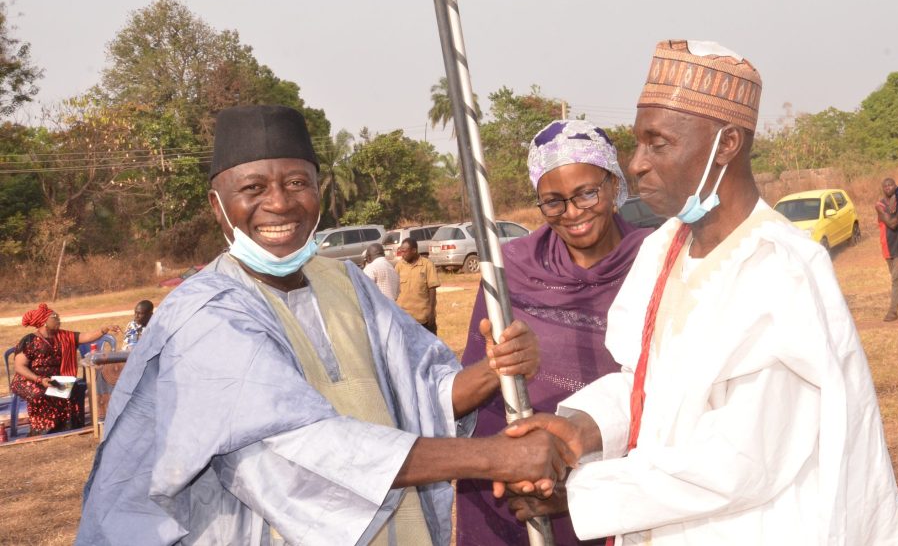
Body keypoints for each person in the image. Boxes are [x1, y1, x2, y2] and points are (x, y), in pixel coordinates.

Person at [78, 105, 573, 546]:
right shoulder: (203, 315)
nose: (280, 203)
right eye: (253, 188)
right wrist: (492, 458)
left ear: (318, 191)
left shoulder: (344, 282)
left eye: (297, 183)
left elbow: (423, 391)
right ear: (217, 206)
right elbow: (301, 449)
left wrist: (494, 369)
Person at [503, 40, 898, 544]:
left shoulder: (780, 269)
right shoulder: (664, 248)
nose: (636, 164)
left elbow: (746, 458)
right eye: (638, 143)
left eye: (658, 143)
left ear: (728, 144)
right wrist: (584, 429)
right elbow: (649, 383)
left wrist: (583, 491)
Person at [456, 120, 652, 546]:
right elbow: (477, 391)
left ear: (613, 184)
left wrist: (582, 487)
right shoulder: (510, 270)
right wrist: (509, 467)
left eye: (587, 192)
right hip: (514, 491)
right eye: (553, 201)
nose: (574, 212)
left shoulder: (656, 264)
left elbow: (663, 398)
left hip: (615, 492)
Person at [10, 303, 119, 434]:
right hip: (27, 379)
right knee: (40, 393)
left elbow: (86, 337)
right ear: (44, 322)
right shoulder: (29, 340)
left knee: (70, 390)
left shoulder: (64, 336)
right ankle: (42, 430)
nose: (58, 319)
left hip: (53, 378)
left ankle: (64, 428)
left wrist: (104, 329)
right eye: (54, 317)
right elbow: (19, 367)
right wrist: (39, 379)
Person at [876, 177, 898, 322]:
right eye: (886, 186)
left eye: (891, 185)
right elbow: (892, 223)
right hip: (887, 246)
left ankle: (892, 311)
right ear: (883, 189)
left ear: (896, 186)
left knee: (896, 278)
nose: (889, 187)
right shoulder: (879, 205)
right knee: (897, 279)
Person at [396, 238, 441, 334]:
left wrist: (431, 311)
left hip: (423, 317)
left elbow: (432, 289)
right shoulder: (399, 266)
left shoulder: (427, 265)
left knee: (430, 347)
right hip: (405, 318)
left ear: (414, 250)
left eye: (405, 252)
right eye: (401, 252)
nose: (402, 254)